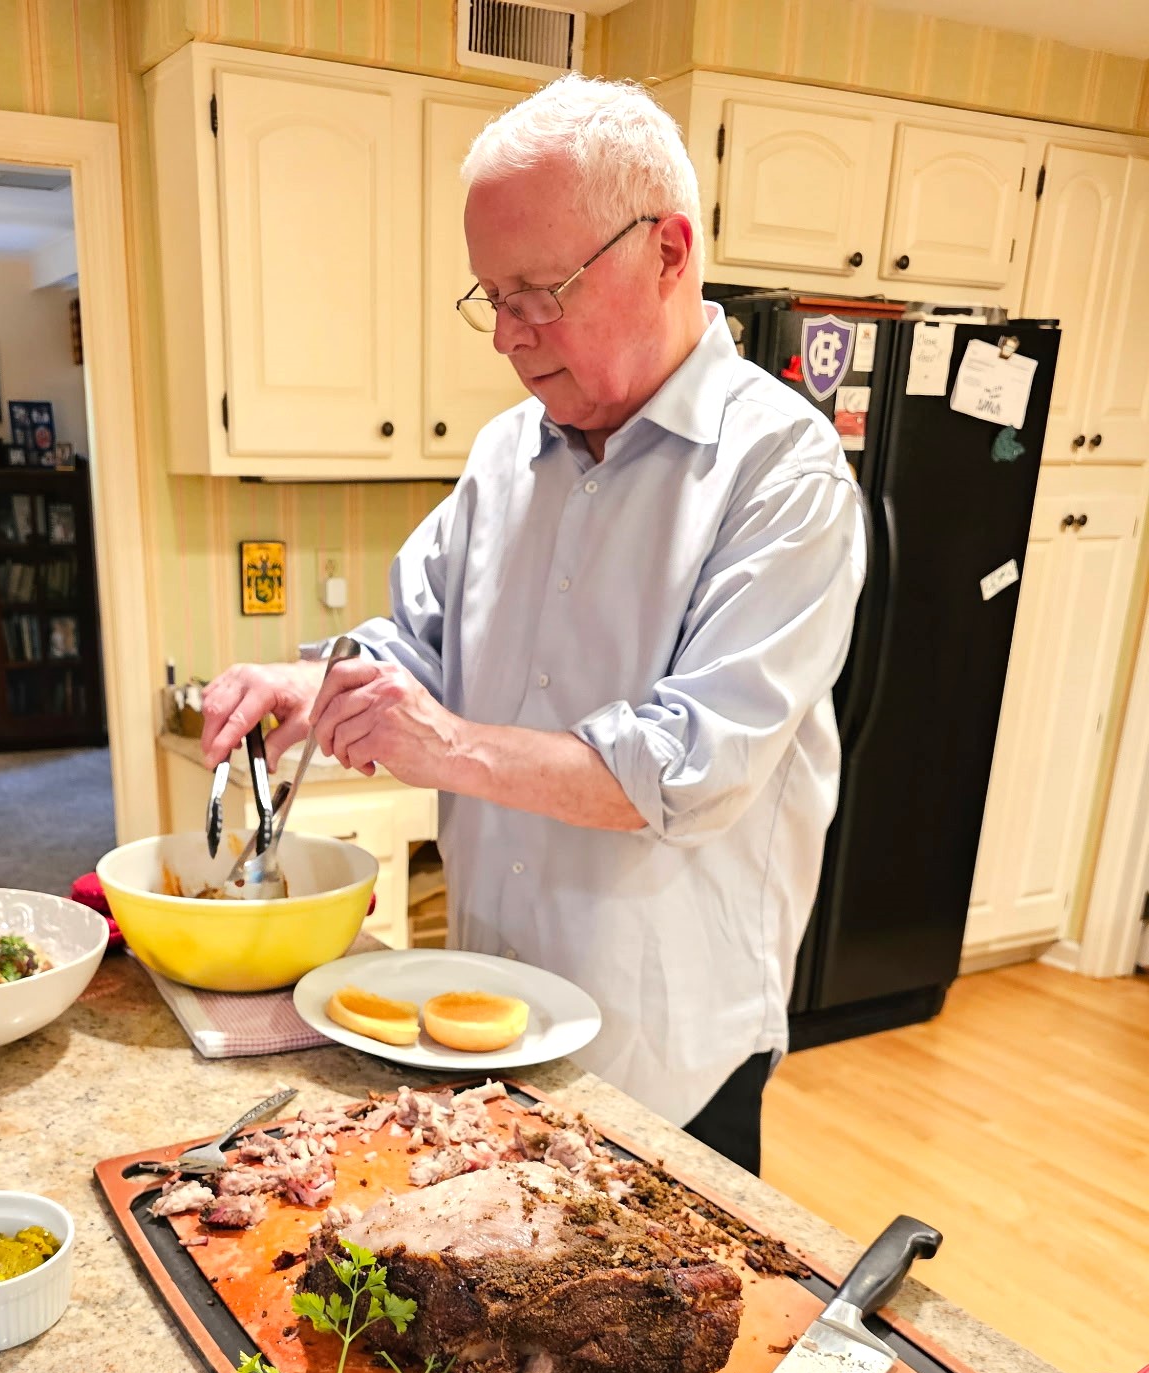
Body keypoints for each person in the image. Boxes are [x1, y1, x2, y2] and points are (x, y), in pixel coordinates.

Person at [200, 75, 867, 1175]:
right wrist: (316, 681)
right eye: (492, 297)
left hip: (667, 1054)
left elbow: (687, 771)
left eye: (539, 292)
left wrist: (446, 746)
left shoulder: (781, 473)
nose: (509, 336)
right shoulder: (506, 451)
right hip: (487, 1011)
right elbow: (420, 641)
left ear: (667, 251)